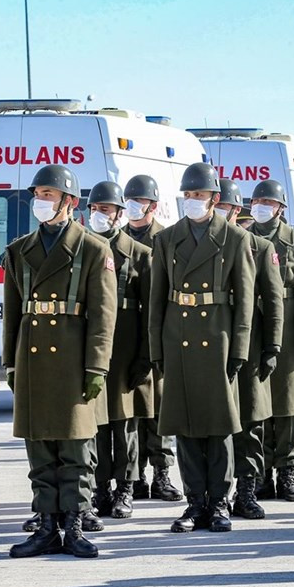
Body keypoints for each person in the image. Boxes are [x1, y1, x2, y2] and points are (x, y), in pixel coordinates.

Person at [4, 164, 117, 558]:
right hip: (33, 361)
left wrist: (96, 367)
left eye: (48, 195)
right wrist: (10, 363)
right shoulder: (19, 251)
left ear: (69, 202)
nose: (40, 201)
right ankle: (47, 526)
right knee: (40, 452)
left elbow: (104, 316)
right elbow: (13, 312)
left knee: (74, 452)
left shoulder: (93, 249)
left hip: (72, 362)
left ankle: (74, 525)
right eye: (38, 194)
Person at [148, 163, 256, 533]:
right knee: (186, 426)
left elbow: (245, 300)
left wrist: (239, 348)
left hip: (218, 338)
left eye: (199, 195)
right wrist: (157, 350)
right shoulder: (167, 239)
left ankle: (220, 501)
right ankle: (195, 502)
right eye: (188, 195)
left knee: (219, 426)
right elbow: (157, 299)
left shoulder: (235, 239)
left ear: (215, 198)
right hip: (178, 337)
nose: (193, 201)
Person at [86, 181, 153, 521]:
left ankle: (126, 488)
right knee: (97, 425)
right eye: (95, 209)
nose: (99, 214)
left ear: (118, 213)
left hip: (127, 346)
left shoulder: (139, 254)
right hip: (95, 345)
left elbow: (149, 313)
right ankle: (100, 489)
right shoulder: (83, 248)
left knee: (125, 425)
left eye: (106, 209)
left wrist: (146, 356)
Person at [216, 184, 284, 520]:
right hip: (216, 346)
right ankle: (217, 495)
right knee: (218, 425)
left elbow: (274, 301)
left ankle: (246, 490)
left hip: (252, 346)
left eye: (227, 206)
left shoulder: (260, 247)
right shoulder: (208, 246)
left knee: (250, 423)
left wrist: (272, 346)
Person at [249, 179, 294, 502]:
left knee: (288, 408)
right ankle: (261, 473)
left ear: (280, 208)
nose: (261, 206)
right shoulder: (243, 238)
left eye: (268, 201)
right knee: (258, 405)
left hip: (290, 332)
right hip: (254, 327)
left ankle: (287, 472)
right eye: (257, 200)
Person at [122, 174, 182, 503]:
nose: (132, 206)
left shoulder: (167, 239)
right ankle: (133, 477)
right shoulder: (116, 239)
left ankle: (161, 474)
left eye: (139, 201)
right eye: (128, 200)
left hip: (161, 333)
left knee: (159, 409)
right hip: (129, 335)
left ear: (153, 206)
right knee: (132, 410)